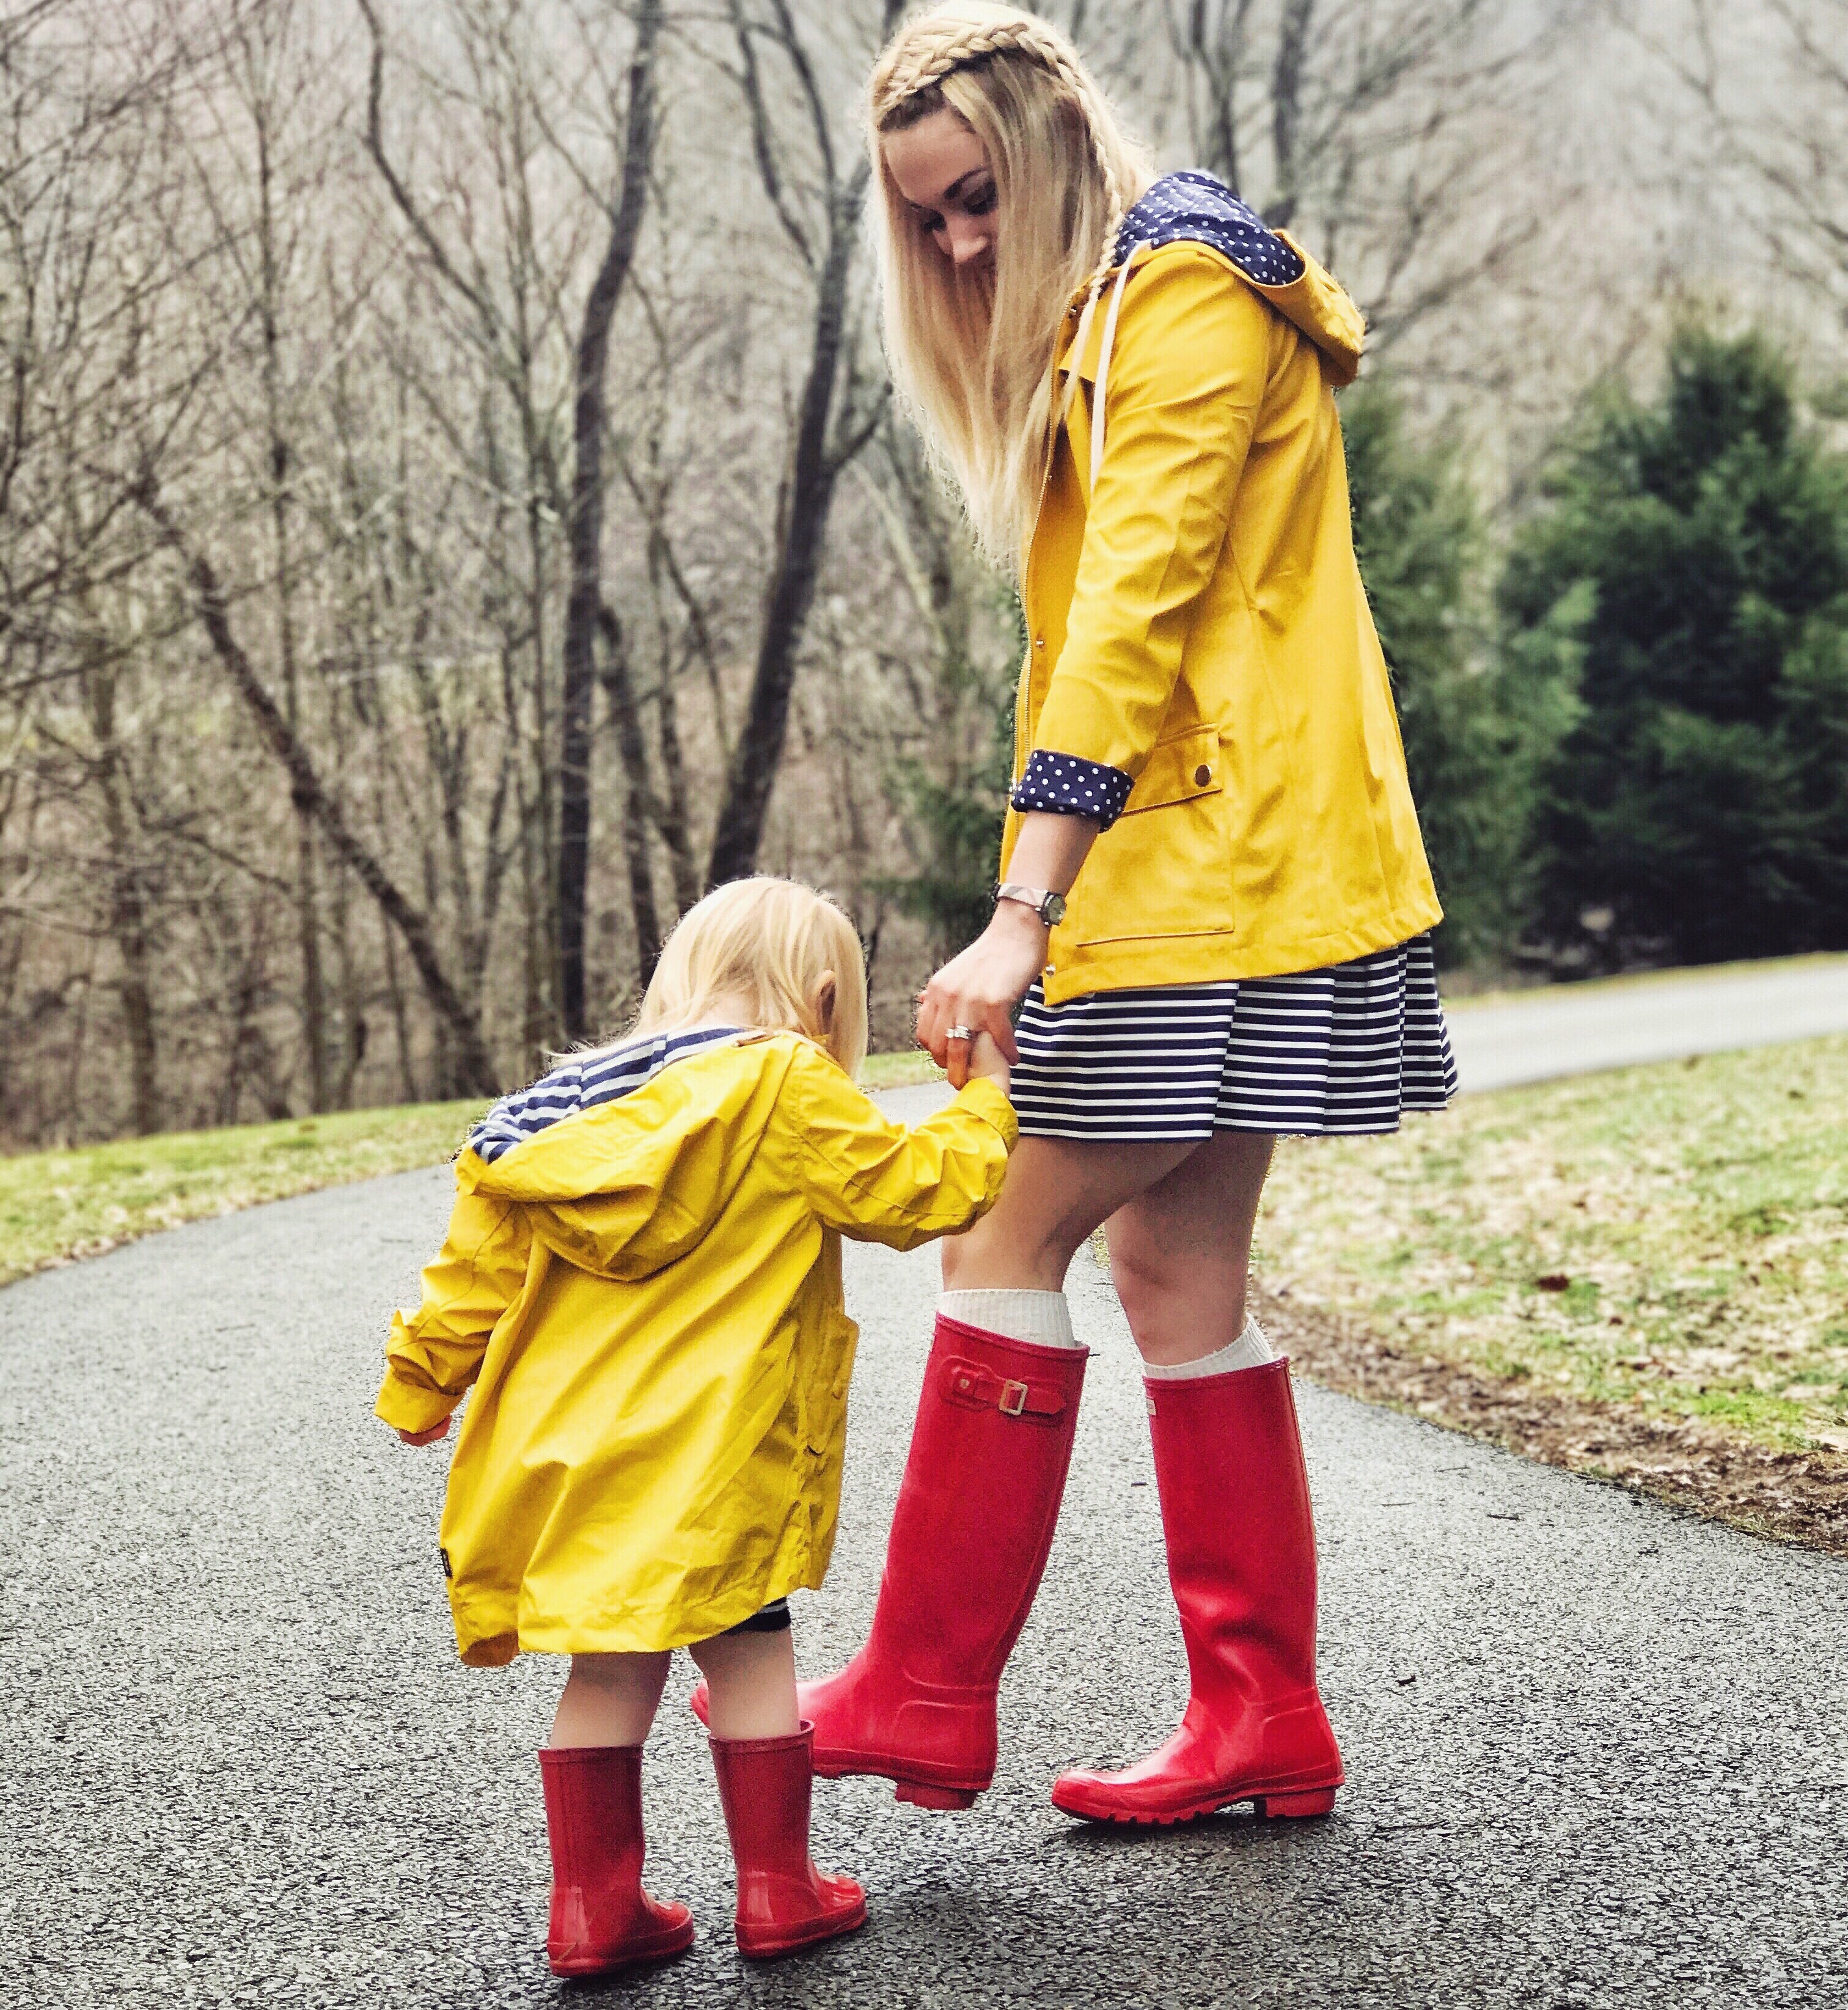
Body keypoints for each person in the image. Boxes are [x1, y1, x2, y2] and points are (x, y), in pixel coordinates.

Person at [697, 4, 1456, 1827]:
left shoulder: (1183, 294)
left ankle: (927, 1688)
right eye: (927, 224)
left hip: (1197, 880)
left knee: (1000, 1243)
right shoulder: (1132, 307)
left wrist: (1022, 904)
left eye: (973, 202)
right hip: (1245, 868)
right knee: (1178, 1276)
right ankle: (1263, 1720)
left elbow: (1138, 612)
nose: (958, 247)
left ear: (1048, 148)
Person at [375, 876, 1015, 1976]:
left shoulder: (547, 1114)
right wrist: (986, 1099)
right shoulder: (781, 1081)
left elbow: (466, 1282)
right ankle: (778, 1892)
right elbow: (916, 1191)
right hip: (726, 1452)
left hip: (579, 1464)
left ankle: (592, 1911)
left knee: (610, 1665)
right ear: (822, 996)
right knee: (753, 1646)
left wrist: (421, 1386)